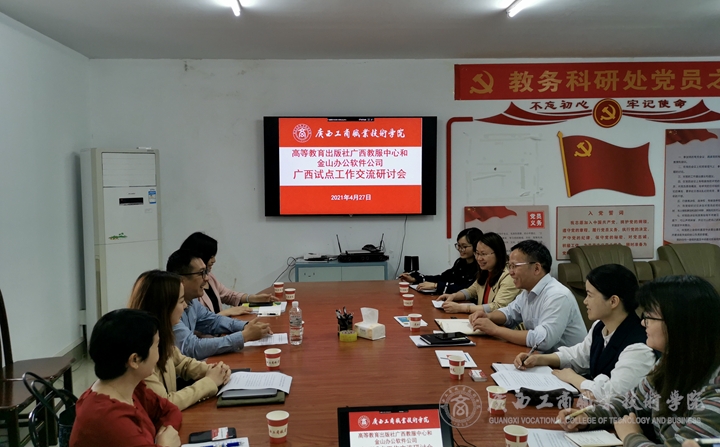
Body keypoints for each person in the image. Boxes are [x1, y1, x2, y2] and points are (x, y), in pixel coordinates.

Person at [557, 275, 720, 447]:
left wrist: (631, 436)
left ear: (678, 324)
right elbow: (632, 402)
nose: (643, 323)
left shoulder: (715, 393)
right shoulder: (672, 363)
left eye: (649, 317)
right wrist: (589, 417)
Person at [514, 264, 656, 401]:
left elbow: (613, 395)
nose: (585, 302)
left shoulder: (639, 347)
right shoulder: (600, 326)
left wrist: (573, 378)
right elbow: (578, 356)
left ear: (613, 301)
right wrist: (539, 359)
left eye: (590, 295)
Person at [70, 309, 182, 447]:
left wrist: (167, 432)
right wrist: (165, 445)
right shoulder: (110, 420)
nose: (159, 354)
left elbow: (170, 410)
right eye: (156, 346)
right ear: (134, 360)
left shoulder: (131, 388)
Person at [128, 270, 232, 410]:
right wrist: (210, 382)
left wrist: (214, 370)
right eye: (181, 301)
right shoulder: (141, 350)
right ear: (164, 307)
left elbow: (182, 363)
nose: (185, 306)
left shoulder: (160, 335)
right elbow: (165, 404)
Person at [469, 240, 586, 352]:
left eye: (515, 266)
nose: (511, 272)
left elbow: (543, 341)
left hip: (564, 363)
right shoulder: (527, 291)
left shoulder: (557, 295)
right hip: (539, 357)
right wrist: (488, 316)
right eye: (510, 266)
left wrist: (495, 330)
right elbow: (509, 313)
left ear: (536, 268)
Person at [167, 249, 272, 359]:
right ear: (182, 280)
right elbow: (192, 348)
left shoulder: (192, 301)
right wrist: (243, 337)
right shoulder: (168, 307)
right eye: (201, 273)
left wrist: (246, 326)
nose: (206, 278)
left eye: (206, 272)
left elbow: (213, 321)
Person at [180, 232, 277, 316]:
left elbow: (228, 295)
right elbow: (200, 323)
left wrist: (253, 298)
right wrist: (227, 312)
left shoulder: (210, 277)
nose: (214, 260)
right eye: (211, 256)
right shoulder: (187, 288)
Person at [438, 232, 520, 314]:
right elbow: (471, 291)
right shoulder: (486, 270)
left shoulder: (509, 275)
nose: (479, 258)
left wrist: (461, 308)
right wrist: (453, 296)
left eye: (483, 254)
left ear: (498, 253)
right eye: (477, 253)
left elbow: (497, 306)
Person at [398, 228, 482, 293]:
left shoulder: (480, 267)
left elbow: (466, 289)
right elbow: (443, 277)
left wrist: (436, 286)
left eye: (464, 247)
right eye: (459, 246)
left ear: (476, 246)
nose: (460, 249)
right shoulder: (460, 262)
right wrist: (415, 279)